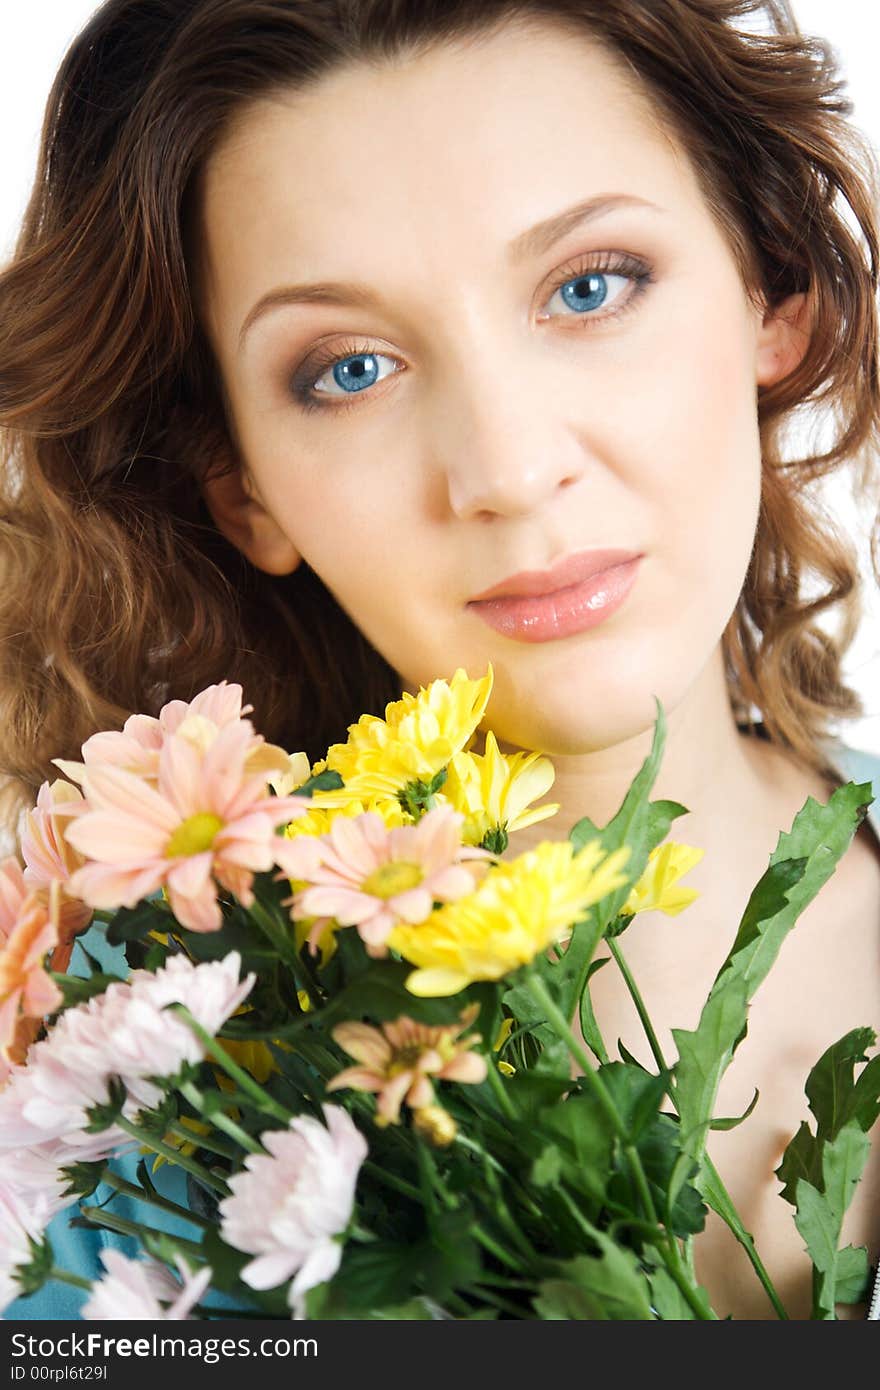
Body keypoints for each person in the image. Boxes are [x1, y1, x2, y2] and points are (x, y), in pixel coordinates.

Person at [1, 0, 879, 1322]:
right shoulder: (125, 1109)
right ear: (242, 485)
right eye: (350, 367)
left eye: (592, 286)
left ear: (774, 293)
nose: (510, 469)